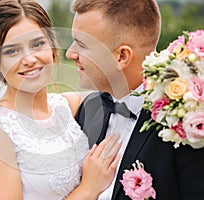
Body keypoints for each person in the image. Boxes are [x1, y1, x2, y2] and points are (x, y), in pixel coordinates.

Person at [0, 0, 122, 199]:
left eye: (37, 44)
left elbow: (123, 97)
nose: (29, 59)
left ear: (52, 46)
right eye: (12, 51)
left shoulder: (67, 106)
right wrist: (89, 188)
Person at [66, 0, 204, 199]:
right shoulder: (89, 109)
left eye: (82, 44)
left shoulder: (187, 125)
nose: (70, 53)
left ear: (121, 56)